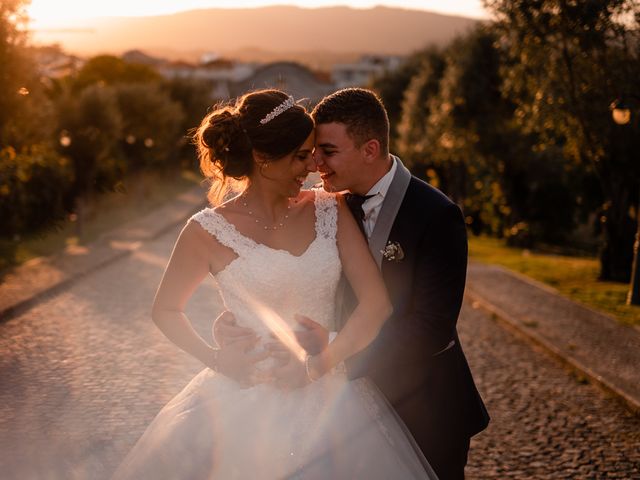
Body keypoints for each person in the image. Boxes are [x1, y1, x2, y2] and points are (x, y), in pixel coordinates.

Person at [112, 89, 438, 479]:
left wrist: (320, 364)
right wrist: (215, 357)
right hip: (242, 399)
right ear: (263, 159)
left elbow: (376, 304)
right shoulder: (205, 231)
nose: (313, 167)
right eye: (301, 156)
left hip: (332, 397)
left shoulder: (328, 208)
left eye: (314, 153)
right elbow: (165, 309)